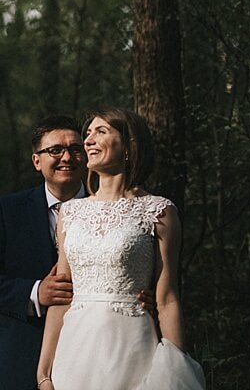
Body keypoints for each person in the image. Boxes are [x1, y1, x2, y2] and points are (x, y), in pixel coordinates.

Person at [35, 106, 205, 390]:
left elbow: (167, 298)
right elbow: (63, 294)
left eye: (100, 132)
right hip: (75, 349)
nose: (88, 140)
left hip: (131, 345)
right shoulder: (71, 212)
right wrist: (44, 373)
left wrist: (176, 370)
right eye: (88, 133)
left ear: (129, 146)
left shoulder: (158, 211)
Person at [0, 115, 87, 390]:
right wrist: (35, 293)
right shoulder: (9, 209)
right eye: (55, 150)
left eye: (75, 149)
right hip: (19, 353)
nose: (67, 157)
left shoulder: (111, 209)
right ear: (37, 161)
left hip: (92, 350)